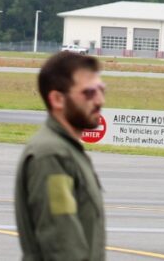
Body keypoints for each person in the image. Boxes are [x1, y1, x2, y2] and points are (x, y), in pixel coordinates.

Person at [15, 51, 106, 260]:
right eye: (89, 93)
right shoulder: (52, 155)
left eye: (101, 90)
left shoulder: (68, 150)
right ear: (57, 99)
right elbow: (62, 244)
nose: (99, 100)